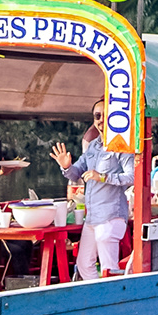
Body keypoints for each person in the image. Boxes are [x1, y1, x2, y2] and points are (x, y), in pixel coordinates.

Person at [50, 100, 136, 279]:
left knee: (109, 268)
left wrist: (103, 177)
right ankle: (101, 294)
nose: (101, 119)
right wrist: (66, 166)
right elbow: (76, 173)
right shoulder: (93, 146)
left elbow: (132, 177)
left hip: (111, 216)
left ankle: (113, 295)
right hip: (92, 218)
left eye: (106, 114)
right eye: (98, 116)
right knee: (83, 264)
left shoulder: (122, 145)